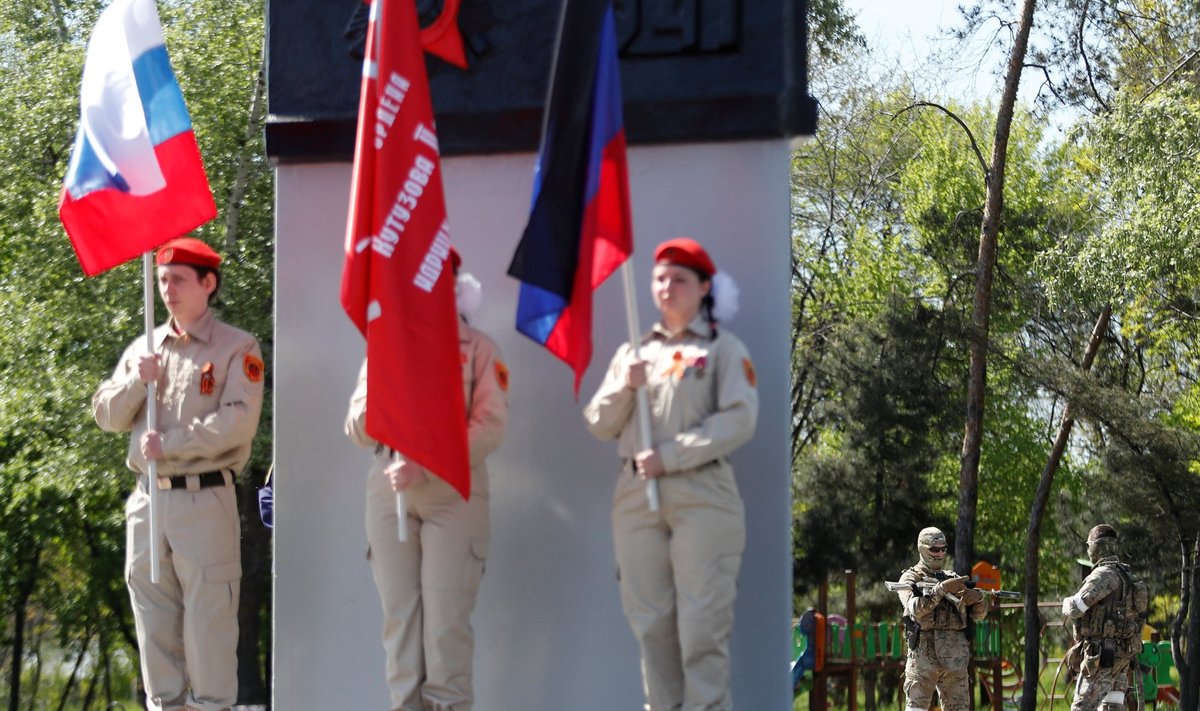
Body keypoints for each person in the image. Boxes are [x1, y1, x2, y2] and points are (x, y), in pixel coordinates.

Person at [584, 237, 758, 711]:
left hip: (702, 493)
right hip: (637, 496)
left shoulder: (723, 348)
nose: (666, 287)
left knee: (702, 629)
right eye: (659, 278)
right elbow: (599, 422)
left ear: (704, 287)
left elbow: (740, 418)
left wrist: (673, 454)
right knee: (652, 627)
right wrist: (625, 384)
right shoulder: (634, 353)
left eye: (679, 279)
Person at [92, 237, 265, 711]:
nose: (167, 289)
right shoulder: (144, 346)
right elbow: (105, 413)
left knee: (209, 620)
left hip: (204, 499)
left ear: (208, 284)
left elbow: (237, 422)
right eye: (162, 280)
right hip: (148, 502)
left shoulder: (237, 347)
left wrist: (170, 444)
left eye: (178, 280)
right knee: (153, 619)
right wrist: (136, 381)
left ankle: (212, 706)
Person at [344, 249, 508, 711]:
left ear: (455, 285)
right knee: (400, 623)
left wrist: (429, 462)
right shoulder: (385, 343)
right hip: (389, 486)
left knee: (444, 626)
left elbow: (491, 425)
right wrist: (384, 393)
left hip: (453, 492)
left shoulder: (478, 349)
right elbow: (355, 426)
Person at [893, 527, 988, 711]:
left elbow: (979, 615)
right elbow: (914, 608)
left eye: (943, 549)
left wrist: (977, 599)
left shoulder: (953, 578)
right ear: (922, 548)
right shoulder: (910, 578)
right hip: (923, 658)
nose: (940, 554)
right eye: (934, 549)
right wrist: (941, 590)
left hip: (955, 660)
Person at [1062, 524, 1148, 711]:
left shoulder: (1103, 575)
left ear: (1096, 546)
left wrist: (1065, 603)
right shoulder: (1127, 576)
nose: (1087, 551)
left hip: (1101, 658)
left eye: (1088, 546)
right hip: (1122, 657)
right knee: (1112, 706)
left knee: (1081, 708)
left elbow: (1076, 608)